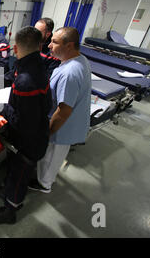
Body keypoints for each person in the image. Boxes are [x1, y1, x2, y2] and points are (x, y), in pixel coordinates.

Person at [0, 26, 52, 225]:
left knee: (19, 175)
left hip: (28, 141)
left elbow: (23, 121)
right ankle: (7, 191)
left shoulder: (27, 81)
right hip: (32, 131)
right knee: (13, 171)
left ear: (15, 48)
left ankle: (10, 210)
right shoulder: (32, 64)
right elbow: (10, 77)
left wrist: (0, 108)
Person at [29, 27, 92, 193]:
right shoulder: (79, 60)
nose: (49, 45)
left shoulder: (70, 73)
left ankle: (44, 184)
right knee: (50, 157)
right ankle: (44, 178)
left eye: (54, 42)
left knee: (51, 158)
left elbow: (64, 110)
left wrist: (47, 132)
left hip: (62, 127)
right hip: (64, 122)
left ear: (69, 46)